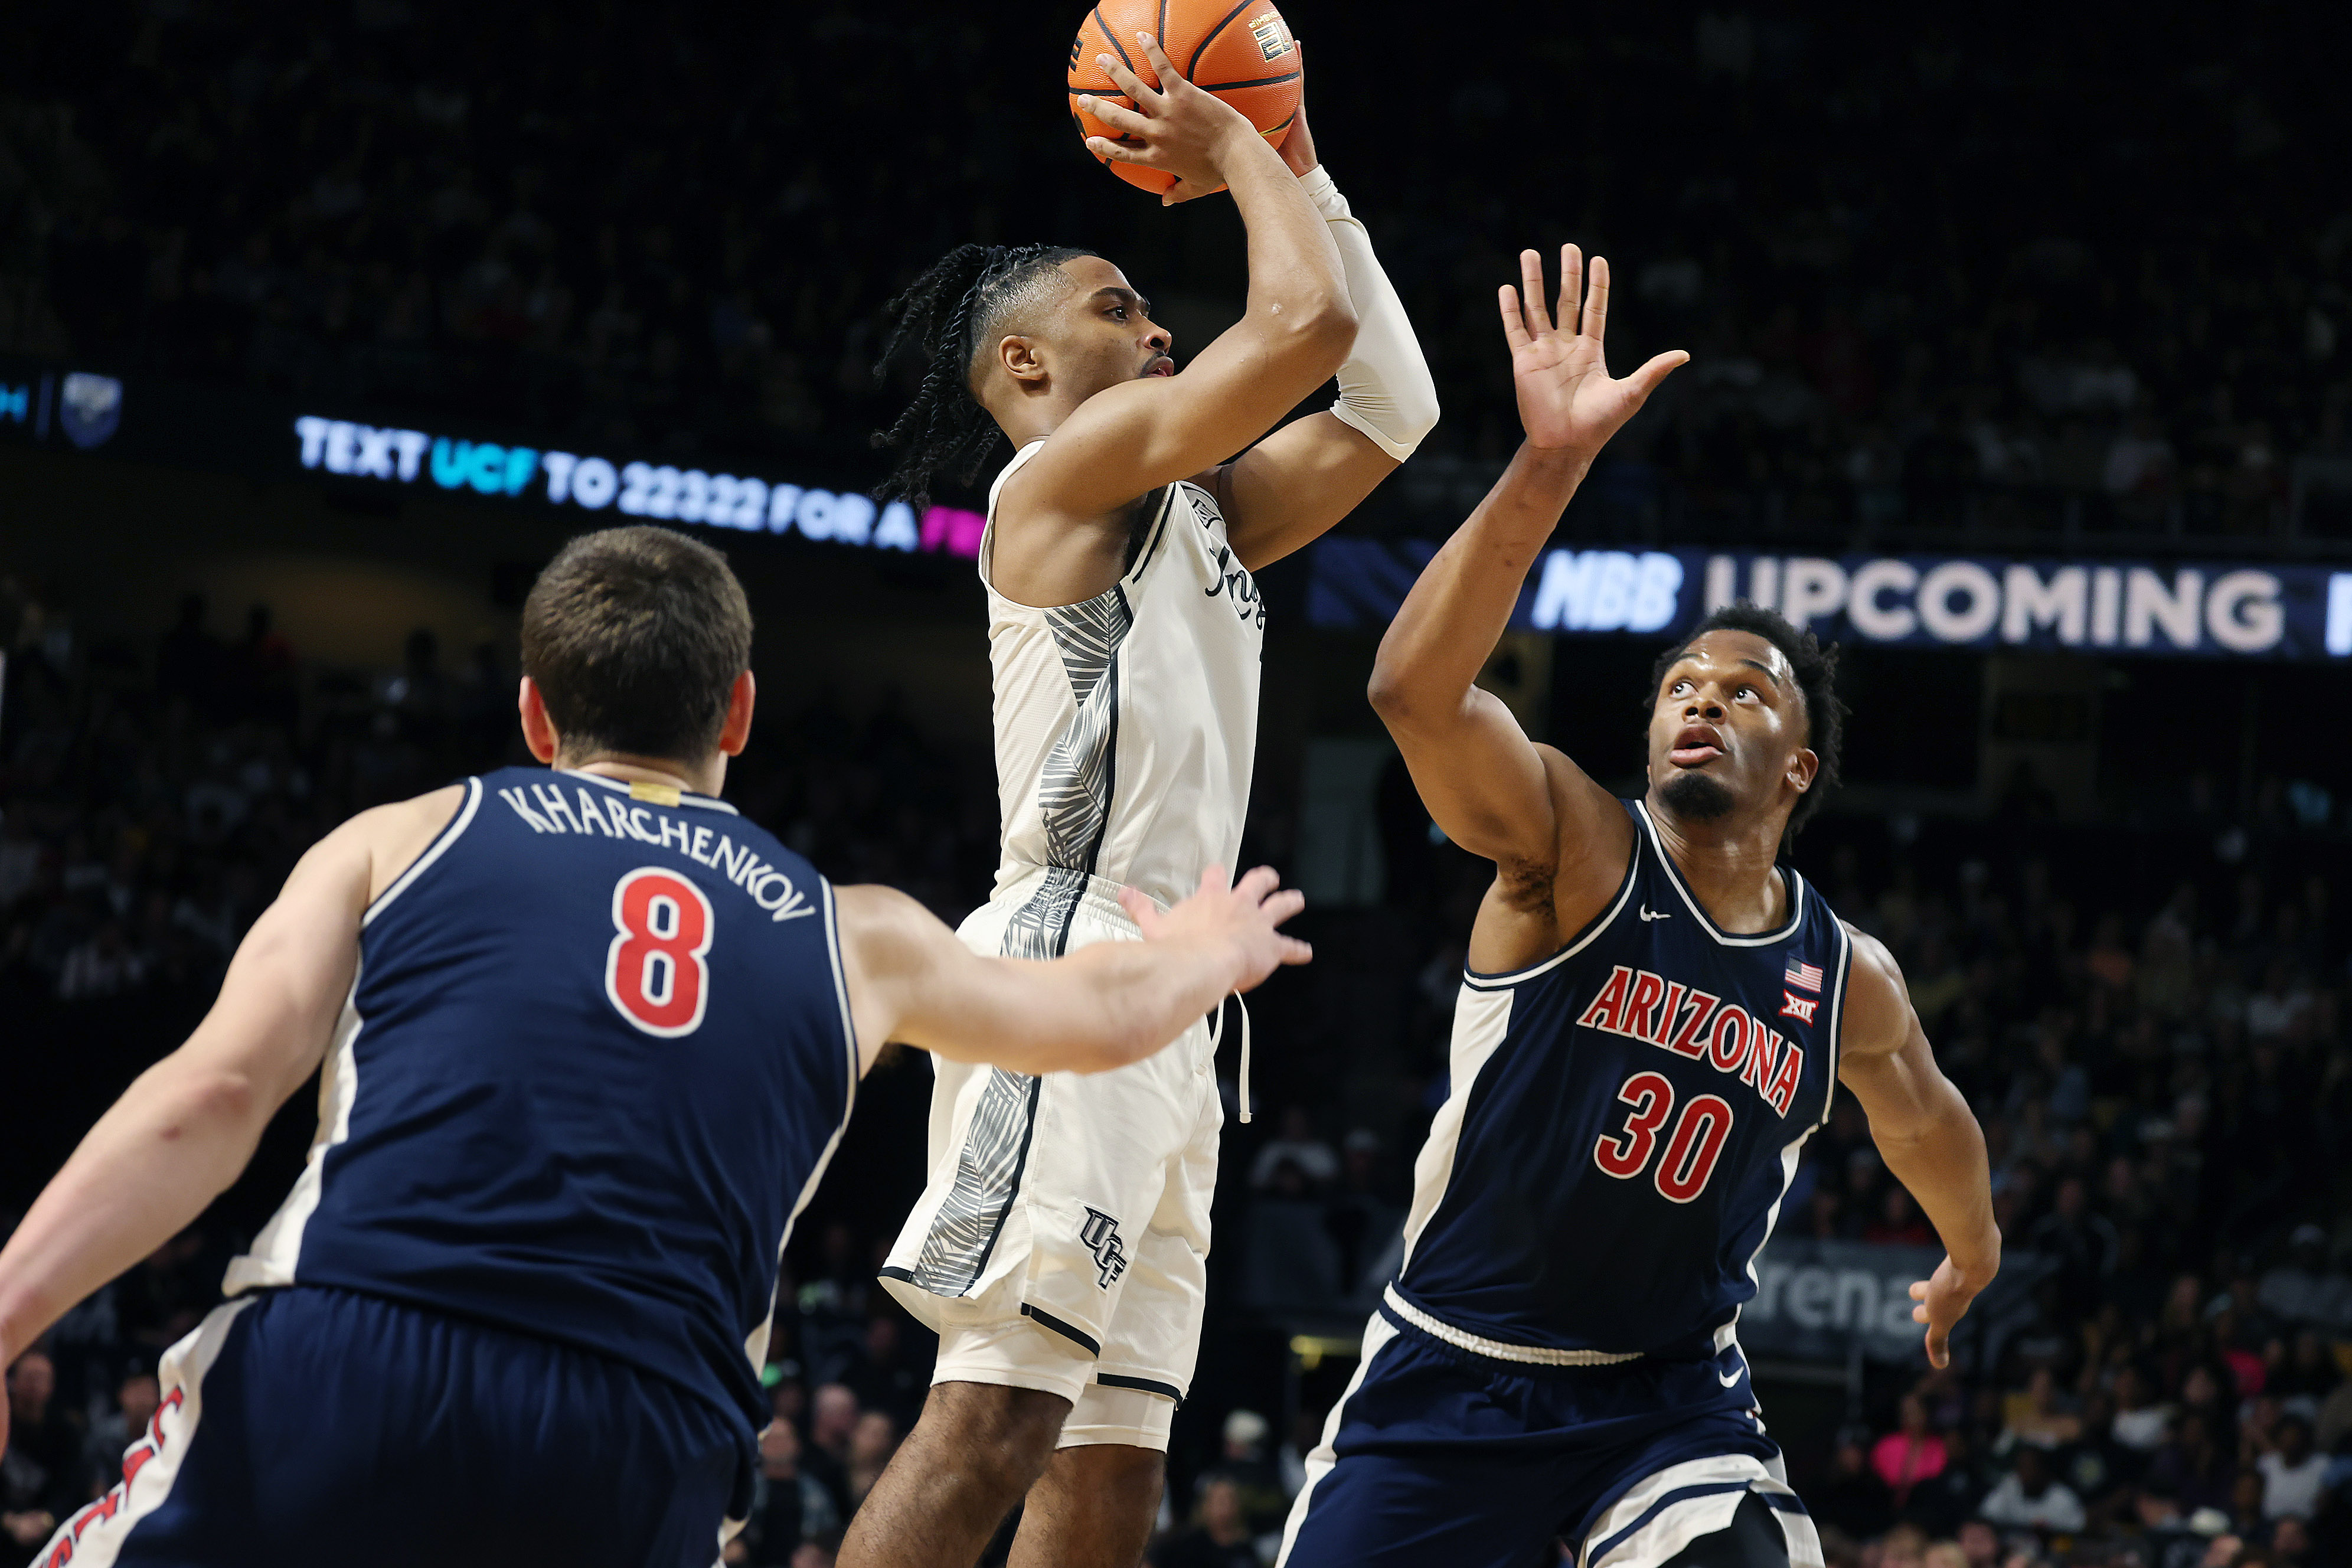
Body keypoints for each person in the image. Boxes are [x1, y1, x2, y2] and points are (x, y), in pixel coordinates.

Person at [0, 527, 1315, 1568]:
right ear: (739, 711)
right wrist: (1215, 946)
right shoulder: (856, 932)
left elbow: (214, 1093)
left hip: (365, 1349)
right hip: (646, 1431)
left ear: (532, 714)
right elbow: (1091, 1021)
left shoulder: (402, 835)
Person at [1278, 248, 2001, 1567]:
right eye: (1681, 682)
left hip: (1666, 1397)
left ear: (1798, 767)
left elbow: (1930, 1121)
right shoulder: (1574, 845)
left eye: (1745, 687)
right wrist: (1550, 459)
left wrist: (1972, 1254)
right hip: (1453, 1369)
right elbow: (1412, 694)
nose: (1702, 695)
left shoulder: (1850, 976)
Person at [847, 29, 1436, 1568]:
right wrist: (1241, 140)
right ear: (1025, 367)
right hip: (1073, 956)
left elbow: (1394, 409)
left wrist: (1297, 155)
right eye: (1118, 304)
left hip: (1174, 1002)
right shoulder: (1061, 474)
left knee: (1105, 1485)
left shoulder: (1201, 510)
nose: (1157, 322)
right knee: (991, 1423)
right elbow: (1301, 326)